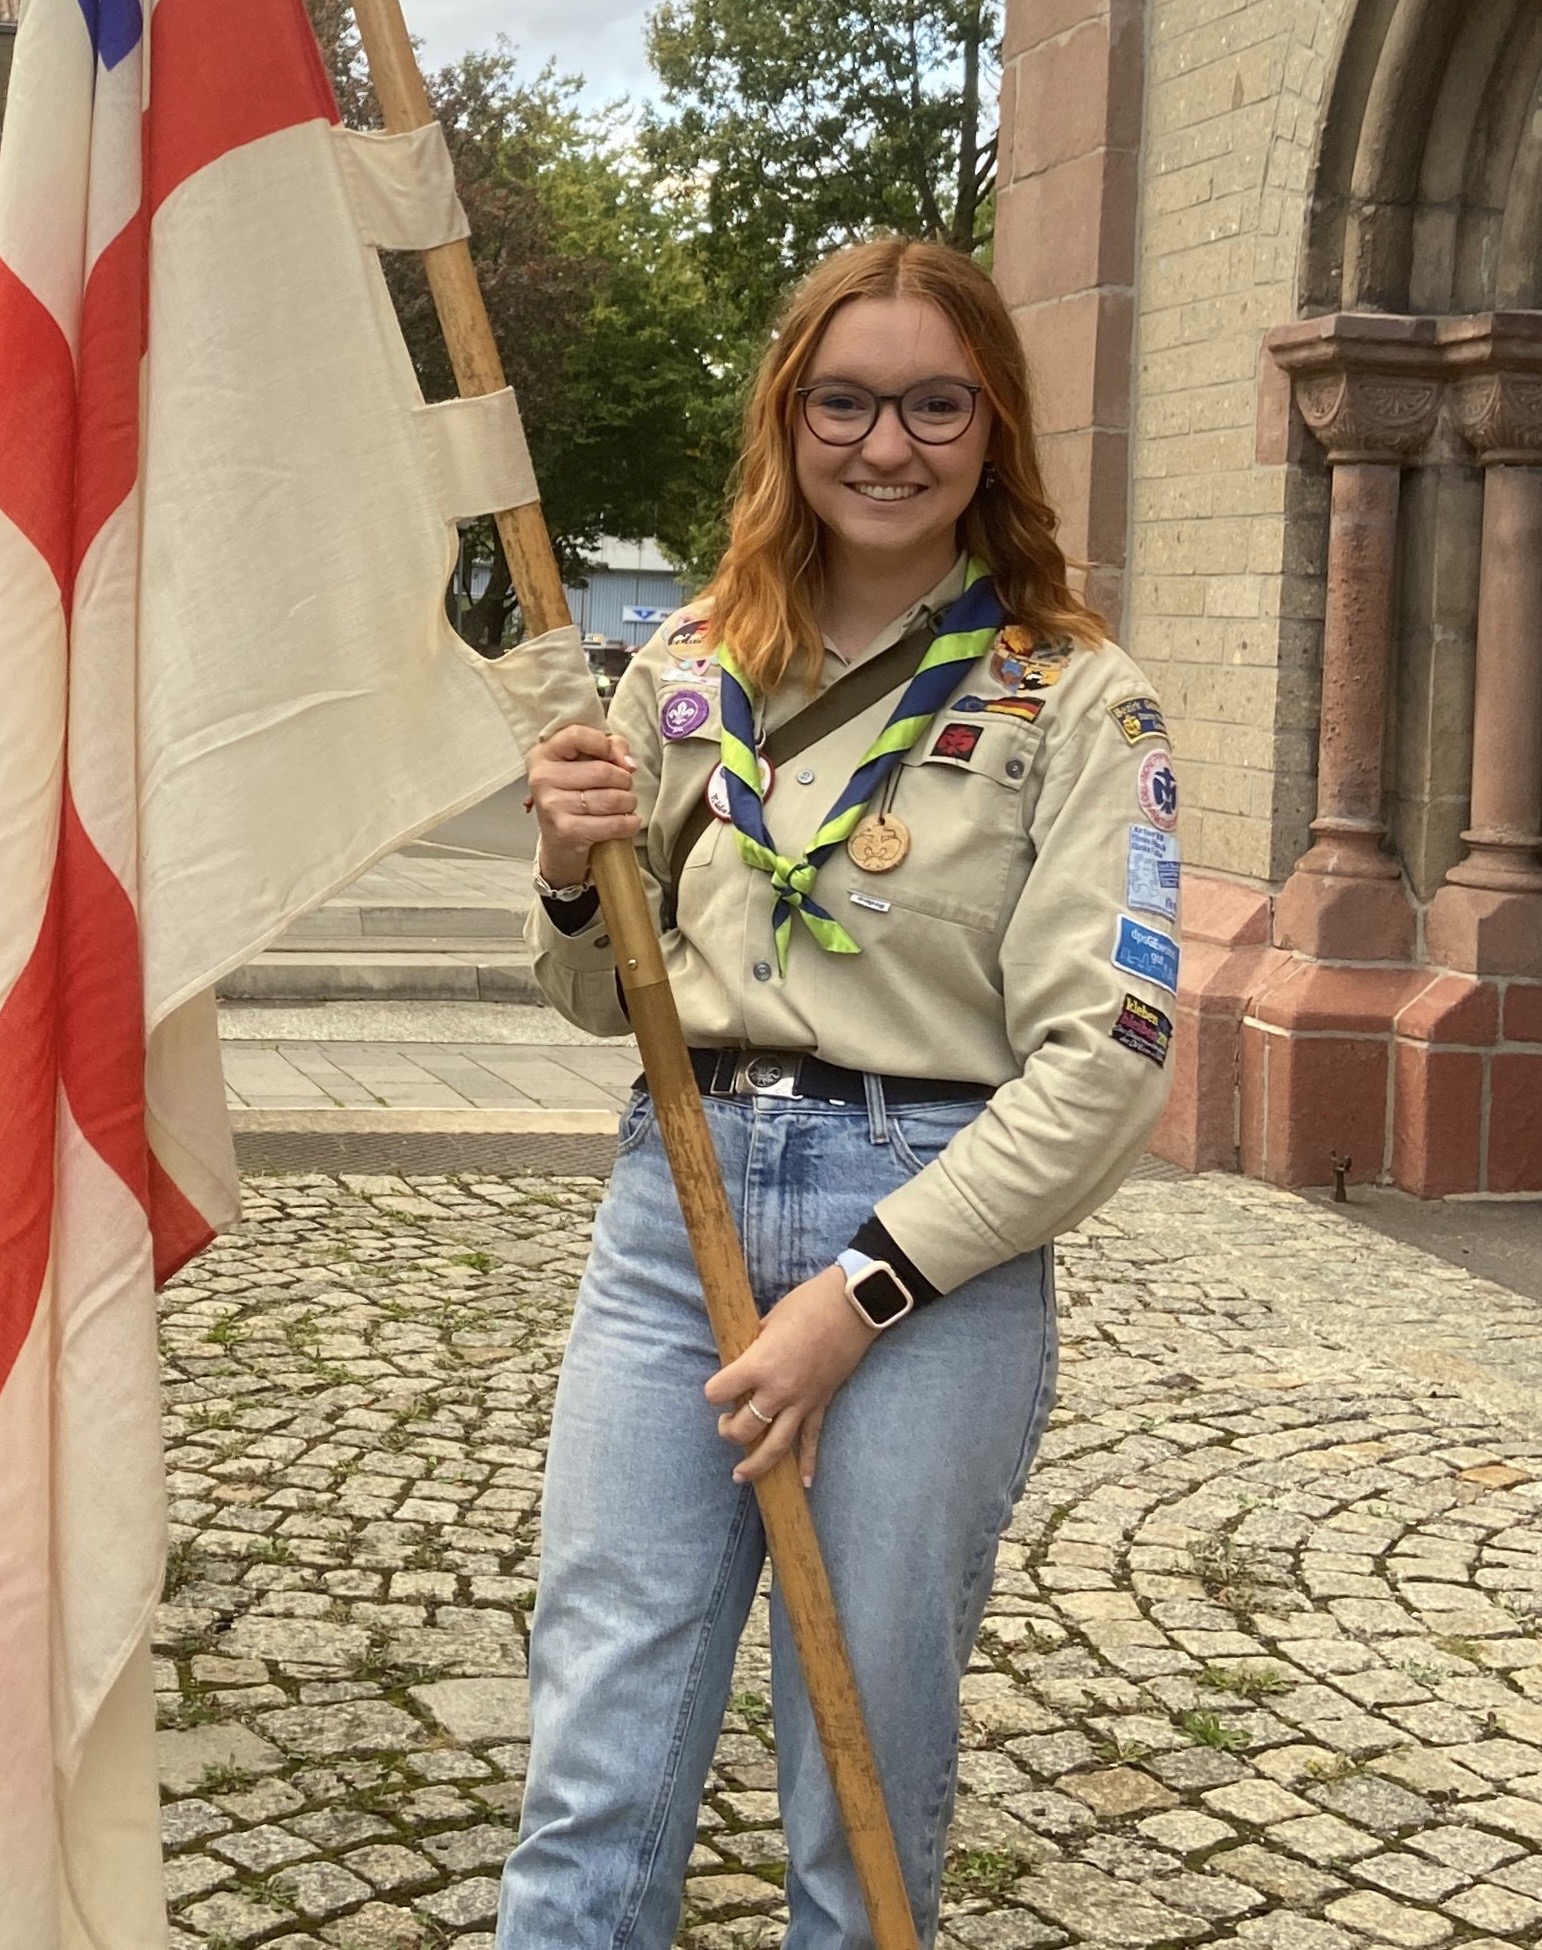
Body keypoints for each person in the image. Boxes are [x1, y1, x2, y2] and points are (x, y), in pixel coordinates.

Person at [496, 236, 1178, 1949]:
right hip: (680, 1205)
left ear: (993, 425)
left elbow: (1105, 1057)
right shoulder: (681, 676)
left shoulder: (1078, 700)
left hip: (927, 1233)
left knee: (859, 1778)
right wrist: (574, 873)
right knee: (597, 1755)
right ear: (787, 420)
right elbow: (598, 997)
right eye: (846, 401)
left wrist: (856, 1295)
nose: (888, 443)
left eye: (934, 403)